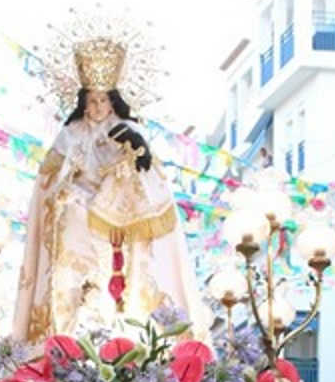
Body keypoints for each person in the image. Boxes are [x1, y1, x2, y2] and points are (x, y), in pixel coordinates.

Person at [11, 37, 206, 341]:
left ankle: (129, 336)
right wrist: (68, 186)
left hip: (119, 225)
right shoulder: (69, 135)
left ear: (113, 100)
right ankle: (68, 335)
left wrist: (136, 157)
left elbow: (154, 184)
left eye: (104, 100)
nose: (98, 107)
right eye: (92, 100)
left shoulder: (132, 130)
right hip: (77, 221)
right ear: (83, 102)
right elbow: (46, 184)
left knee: (126, 284)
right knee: (74, 281)